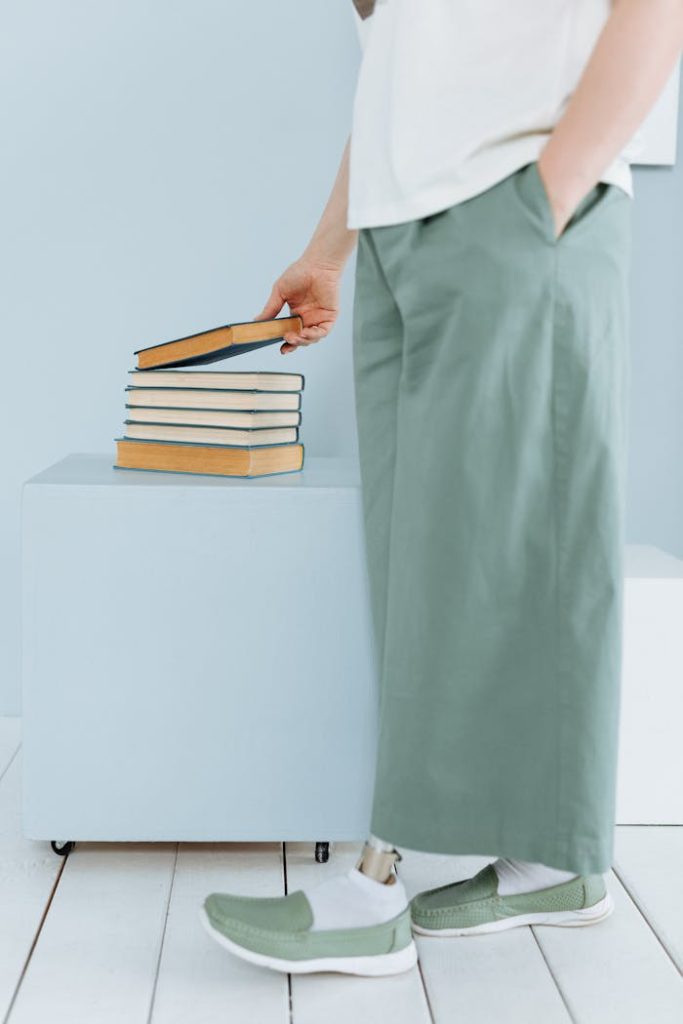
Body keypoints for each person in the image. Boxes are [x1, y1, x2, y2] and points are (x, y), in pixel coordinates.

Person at [200, 0, 683, 976]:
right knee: (424, 552)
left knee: (494, 544)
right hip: (399, 227)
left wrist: (552, 194)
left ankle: (376, 885)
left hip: (509, 198)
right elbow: (399, 70)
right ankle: (550, 859)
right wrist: (331, 245)